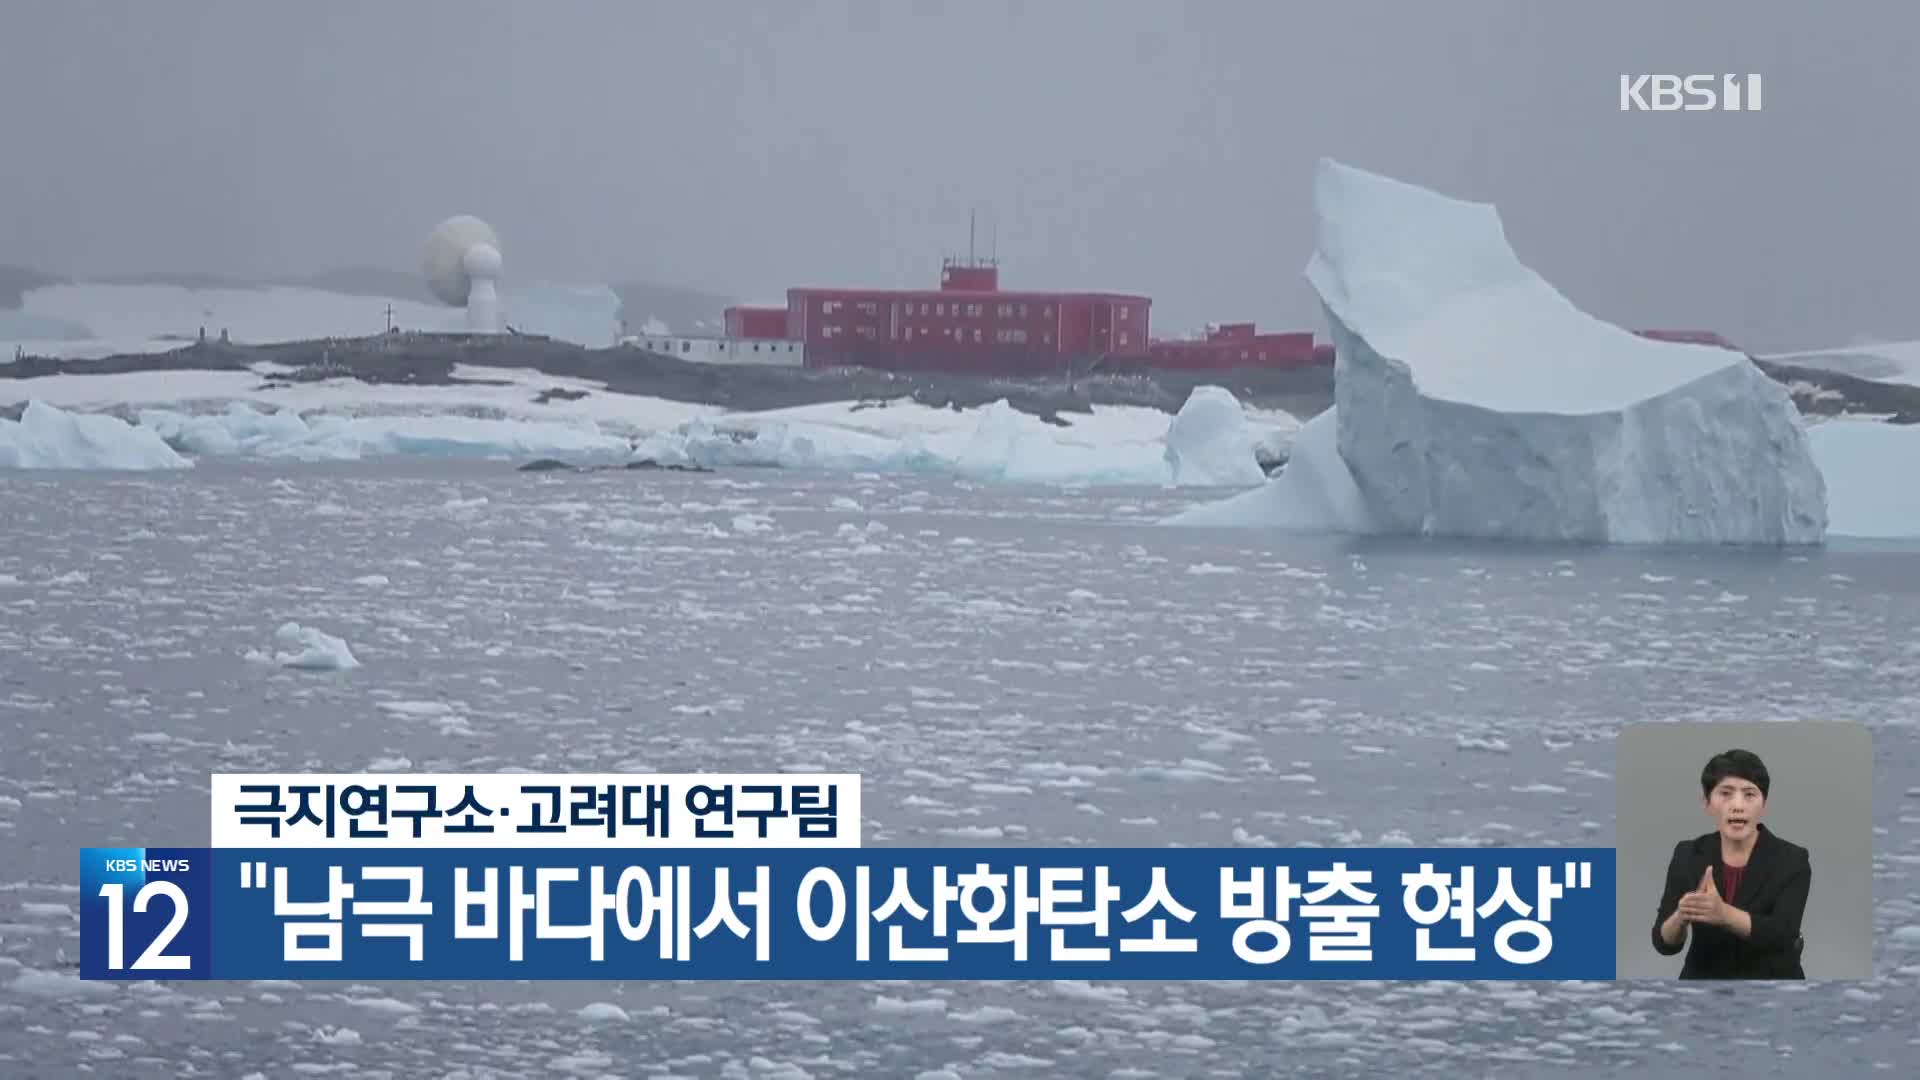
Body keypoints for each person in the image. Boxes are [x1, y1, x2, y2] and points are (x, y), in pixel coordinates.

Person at [1651, 748, 1810, 978]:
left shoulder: (1793, 859)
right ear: (1707, 803)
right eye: (1725, 793)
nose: (1738, 805)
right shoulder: (1688, 854)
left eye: (1749, 794)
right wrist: (1681, 915)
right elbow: (1663, 943)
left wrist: (1723, 914)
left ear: (1763, 804)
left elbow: (1783, 935)